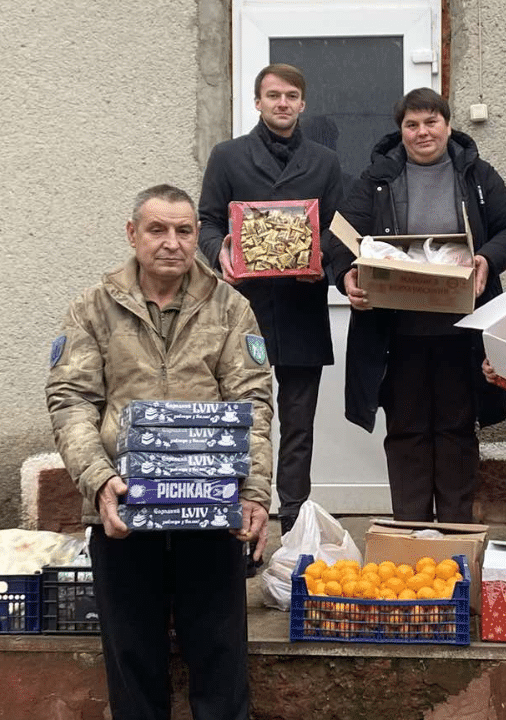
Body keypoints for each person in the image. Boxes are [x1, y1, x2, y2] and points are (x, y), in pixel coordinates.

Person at [46, 185, 273, 720]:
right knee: (132, 663)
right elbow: (72, 399)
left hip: (212, 510)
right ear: (132, 234)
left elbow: (254, 402)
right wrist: (100, 481)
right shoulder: (93, 308)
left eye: (184, 231)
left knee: (220, 661)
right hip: (123, 510)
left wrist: (256, 492)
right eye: (157, 230)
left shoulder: (230, 306)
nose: (172, 243)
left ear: (197, 235)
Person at [324, 87, 506, 522]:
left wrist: (487, 259)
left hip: (463, 332)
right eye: (412, 124)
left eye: (431, 122)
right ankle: (411, 531)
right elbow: (338, 236)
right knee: (406, 432)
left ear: (448, 124)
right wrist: (346, 277)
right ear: (400, 131)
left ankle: (456, 536)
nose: (422, 132)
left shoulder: (476, 175)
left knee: (456, 433)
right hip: (397, 335)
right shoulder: (376, 179)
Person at [198, 63, 343, 538]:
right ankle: (236, 525)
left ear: (303, 104)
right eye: (273, 95)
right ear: (257, 102)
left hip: (303, 310)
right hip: (243, 312)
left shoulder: (325, 161)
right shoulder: (227, 156)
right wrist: (220, 252)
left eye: (292, 96)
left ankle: (293, 527)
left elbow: (338, 229)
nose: (283, 103)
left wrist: (322, 256)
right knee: (241, 420)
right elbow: (209, 221)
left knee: (298, 428)